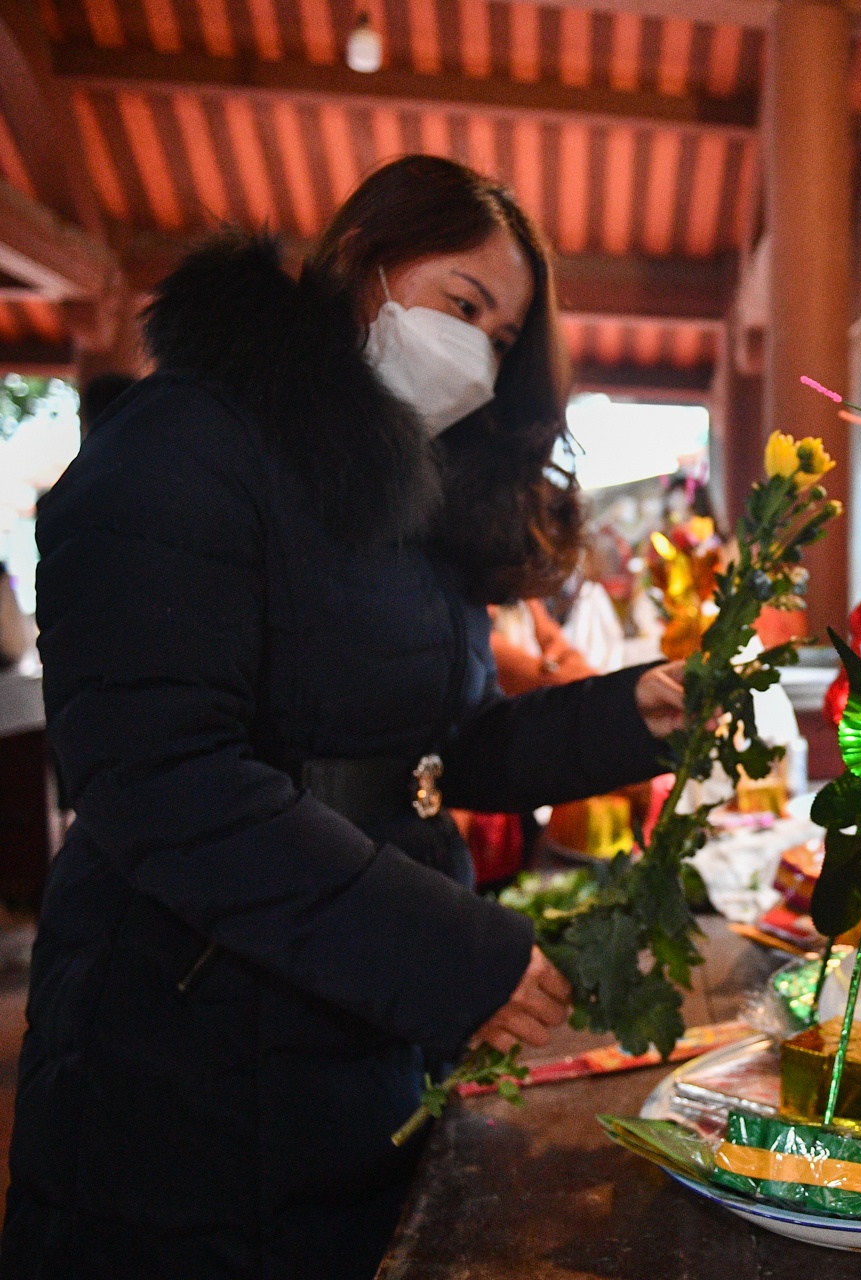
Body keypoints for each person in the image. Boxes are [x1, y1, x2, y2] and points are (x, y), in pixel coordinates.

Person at [3, 156, 688, 1279]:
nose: (478, 352)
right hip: (188, 1045)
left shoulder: (402, 497)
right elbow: (163, 782)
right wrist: (453, 954)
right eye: (463, 303)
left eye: (503, 336)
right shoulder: (185, 443)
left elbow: (441, 752)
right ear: (364, 260)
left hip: (356, 1024)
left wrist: (633, 713)